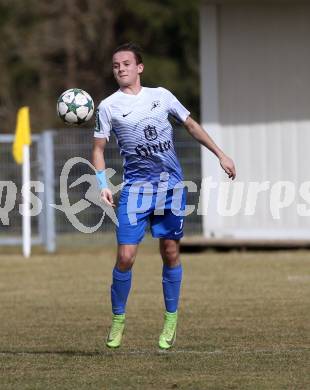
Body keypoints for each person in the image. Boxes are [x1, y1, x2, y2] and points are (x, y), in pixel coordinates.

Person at [92, 42, 236, 350]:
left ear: (139, 68)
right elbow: (99, 149)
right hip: (135, 190)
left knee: (170, 253)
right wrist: (102, 182)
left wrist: (220, 154)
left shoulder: (161, 96)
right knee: (125, 257)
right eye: (116, 65)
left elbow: (191, 125)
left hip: (170, 188)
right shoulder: (108, 106)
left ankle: (171, 317)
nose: (121, 69)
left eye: (126, 64)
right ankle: (118, 319)